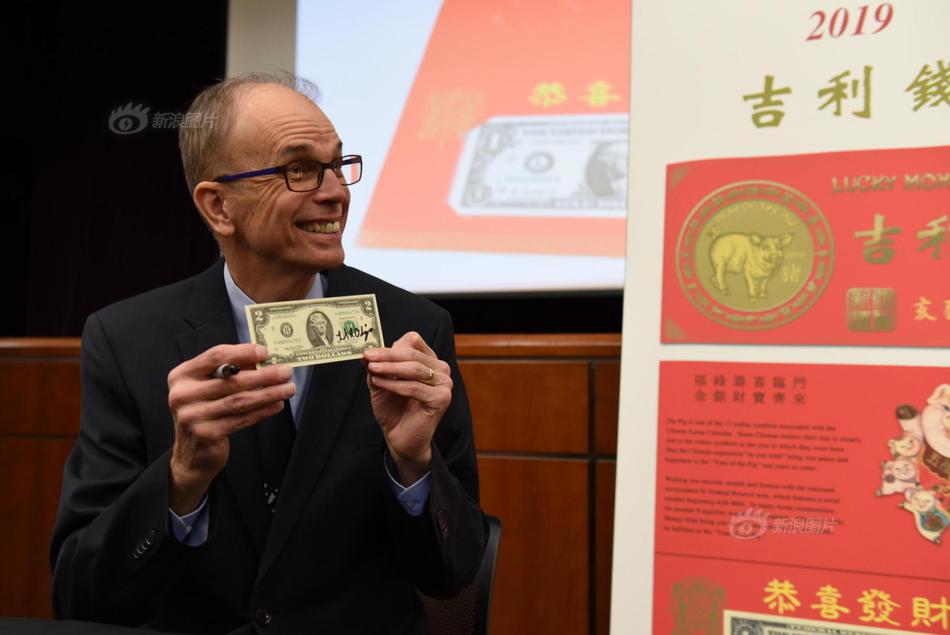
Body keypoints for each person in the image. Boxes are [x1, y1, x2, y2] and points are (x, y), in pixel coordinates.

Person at [49, 72, 487, 634]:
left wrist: (413, 465)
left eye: (337, 164)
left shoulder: (412, 330)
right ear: (218, 207)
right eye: (298, 170)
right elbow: (81, 597)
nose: (336, 192)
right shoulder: (127, 340)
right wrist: (183, 477)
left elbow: (455, 574)